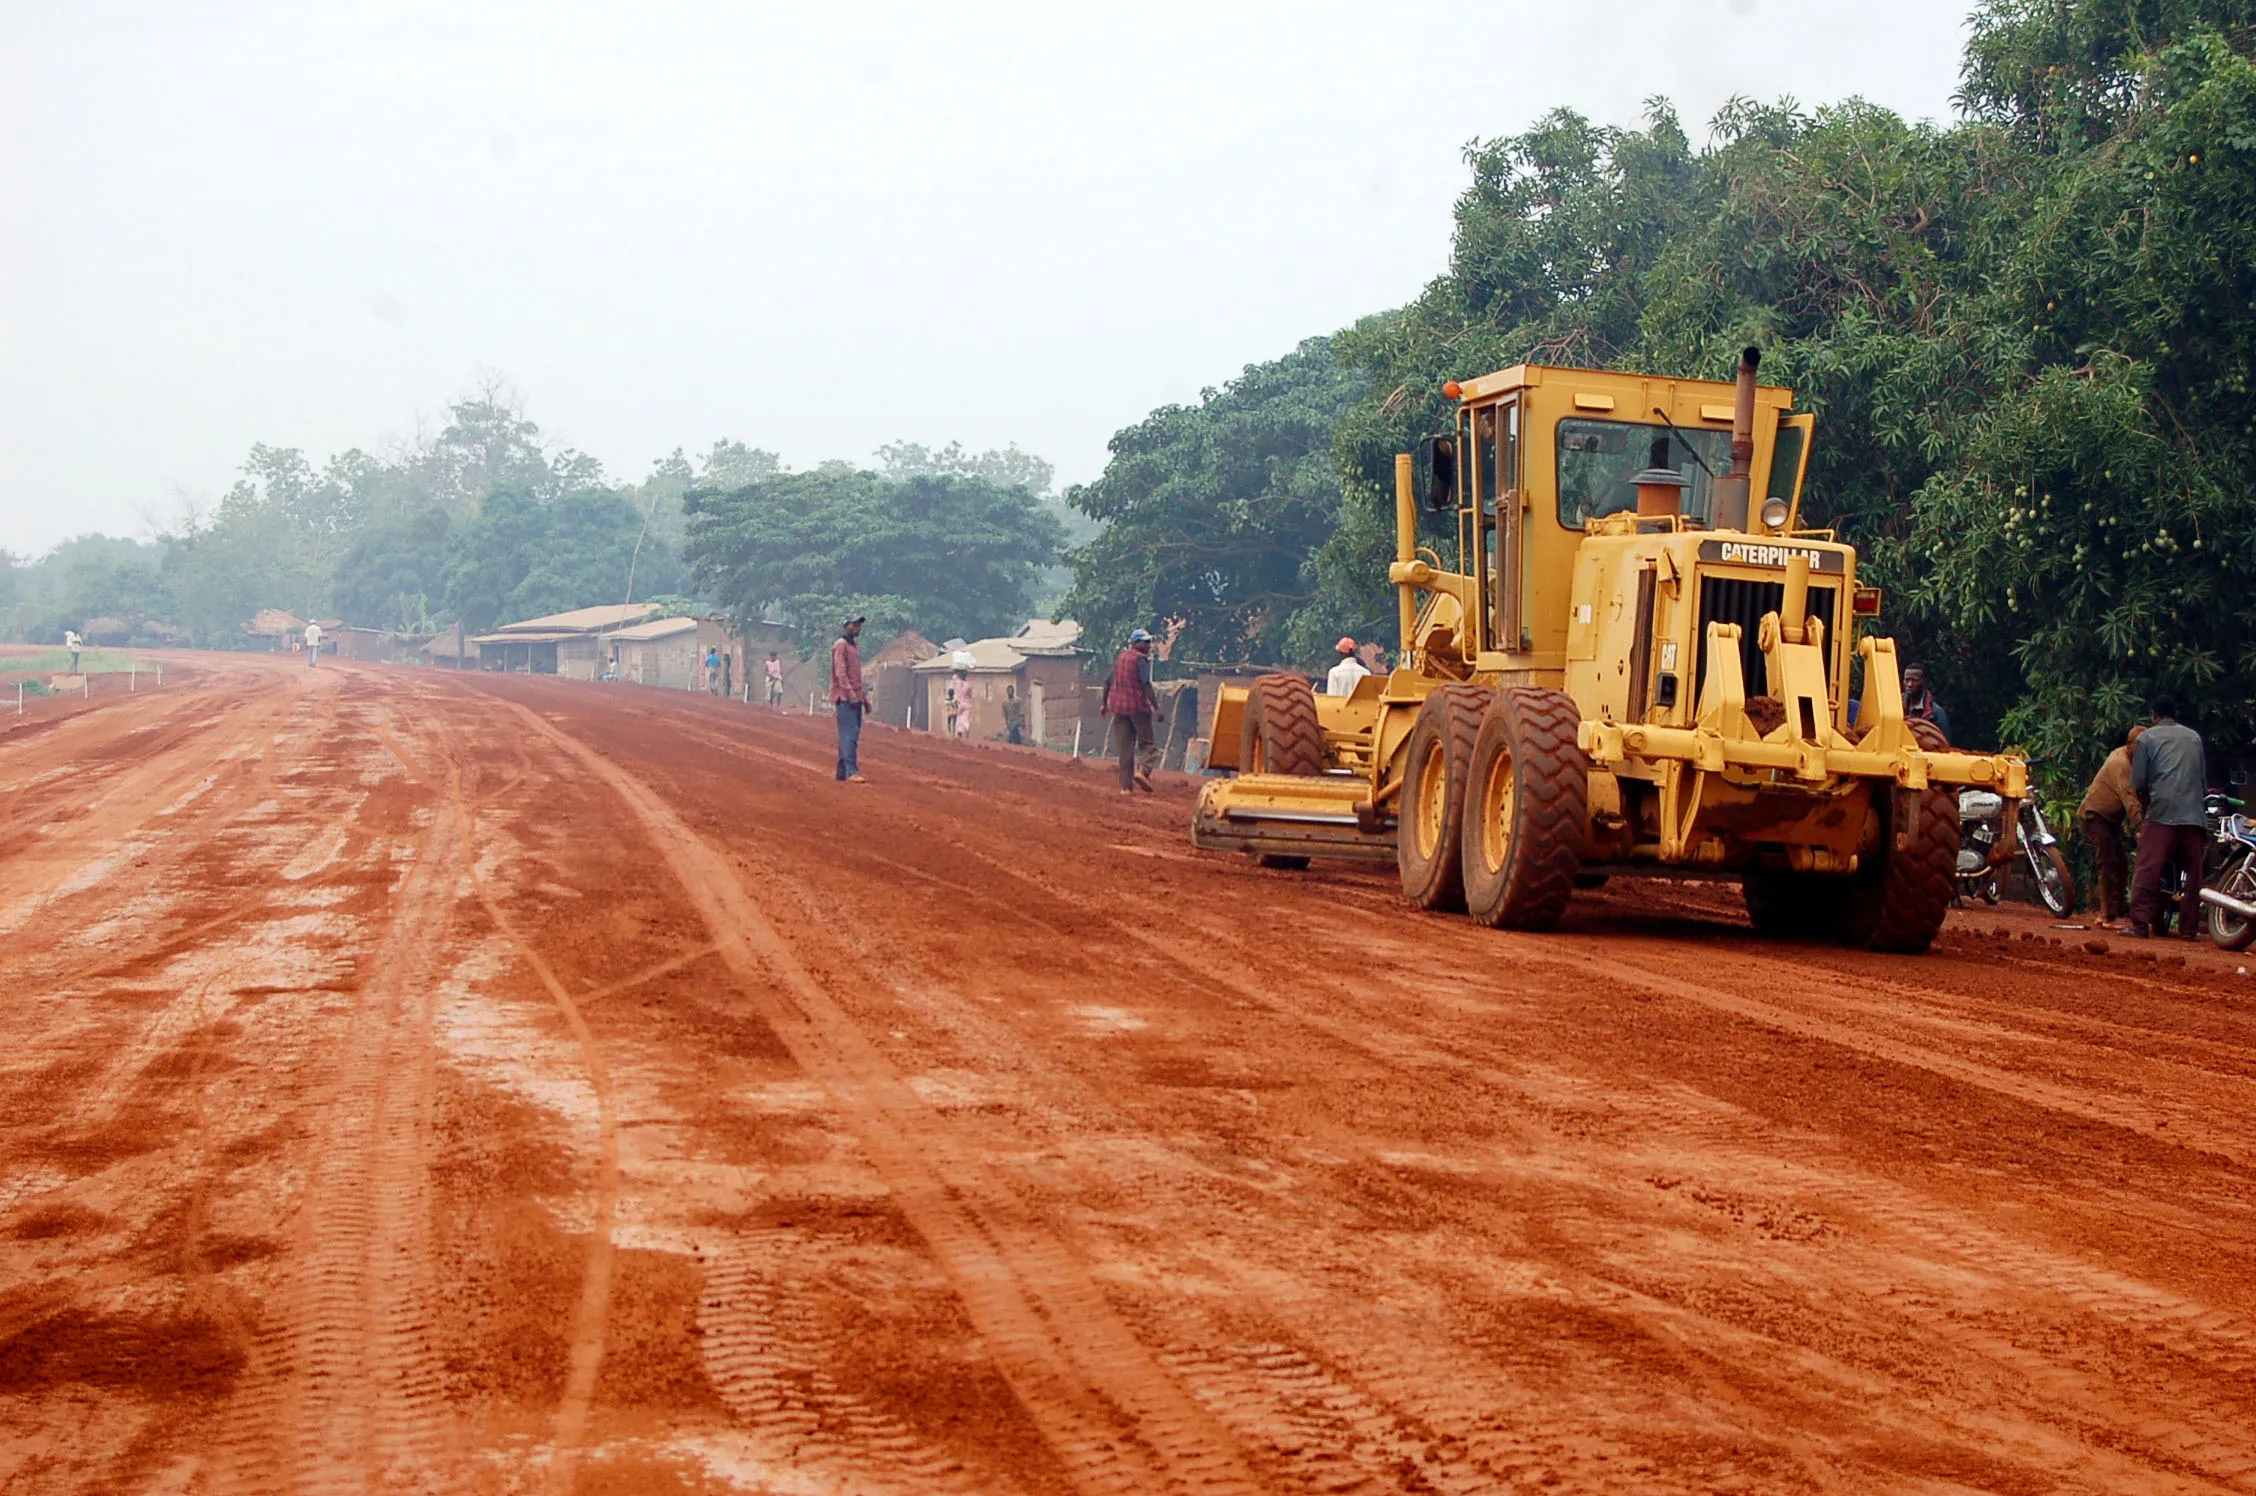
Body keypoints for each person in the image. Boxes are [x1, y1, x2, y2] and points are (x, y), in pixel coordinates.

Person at [2122, 696, 2207, 939]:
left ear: (2154, 717)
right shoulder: (2194, 737)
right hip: (2193, 814)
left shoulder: (2146, 738)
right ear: (2176, 716)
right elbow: (2202, 781)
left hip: (2161, 812)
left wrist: (2148, 810)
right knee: (2193, 872)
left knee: (2147, 867)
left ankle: (2139, 925)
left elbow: (2139, 783)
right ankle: (2189, 929)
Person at [2079, 724, 2145, 923]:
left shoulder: (2135, 762)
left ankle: (2119, 908)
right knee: (2107, 862)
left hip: (2111, 819)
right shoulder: (2121, 763)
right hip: (2096, 815)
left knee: (2121, 862)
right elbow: (2130, 799)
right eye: (2140, 747)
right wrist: (2142, 829)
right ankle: (2106, 914)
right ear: (2129, 745)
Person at [1103, 628, 1164, 794]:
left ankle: (1125, 788)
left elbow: (1107, 682)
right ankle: (1143, 771)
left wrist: (1104, 704)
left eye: (1149, 641)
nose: (1148, 645)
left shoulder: (1120, 659)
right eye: (1145, 642)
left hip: (1119, 710)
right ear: (1135, 643)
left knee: (1125, 749)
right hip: (1137, 708)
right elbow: (1146, 684)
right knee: (1149, 745)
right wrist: (1156, 708)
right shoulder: (1140, 660)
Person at [830, 615, 870, 783]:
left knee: (848, 734)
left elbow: (856, 677)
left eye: (859, 625)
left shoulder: (852, 646)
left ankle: (842, 772)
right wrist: (851, 694)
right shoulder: (841, 645)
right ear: (846, 626)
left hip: (854, 698)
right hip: (846, 698)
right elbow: (841, 673)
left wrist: (864, 700)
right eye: (854, 625)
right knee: (850, 735)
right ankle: (851, 771)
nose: (858, 628)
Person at [1901, 663, 1950, 741]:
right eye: (1907, 680)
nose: (1910, 684)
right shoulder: (1896, 707)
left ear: (1924, 682)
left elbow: (1943, 745)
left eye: (1914, 680)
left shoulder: (1936, 713)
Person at [949, 671, 974, 738]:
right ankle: (966, 734)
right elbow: (970, 695)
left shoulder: (957, 681)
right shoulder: (968, 684)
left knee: (959, 718)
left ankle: (959, 733)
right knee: (965, 719)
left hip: (958, 703)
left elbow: (954, 676)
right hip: (966, 704)